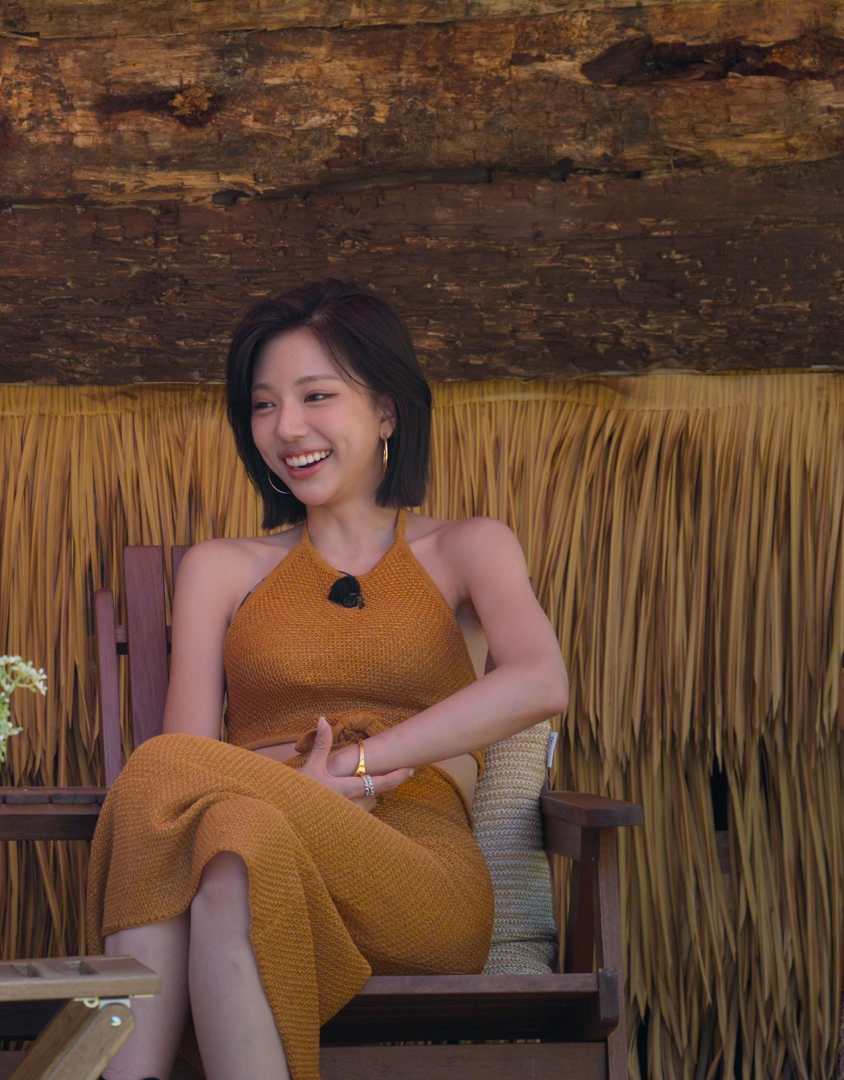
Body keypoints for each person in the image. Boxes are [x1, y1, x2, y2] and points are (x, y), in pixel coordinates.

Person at [86, 281, 569, 1080]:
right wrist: (297, 788)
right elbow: (183, 758)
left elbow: (540, 678)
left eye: (317, 397)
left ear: (386, 412)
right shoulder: (221, 568)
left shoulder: (467, 548)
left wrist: (356, 768)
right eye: (264, 405)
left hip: (417, 874)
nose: (287, 428)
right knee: (226, 835)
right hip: (252, 843)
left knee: (166, 780)